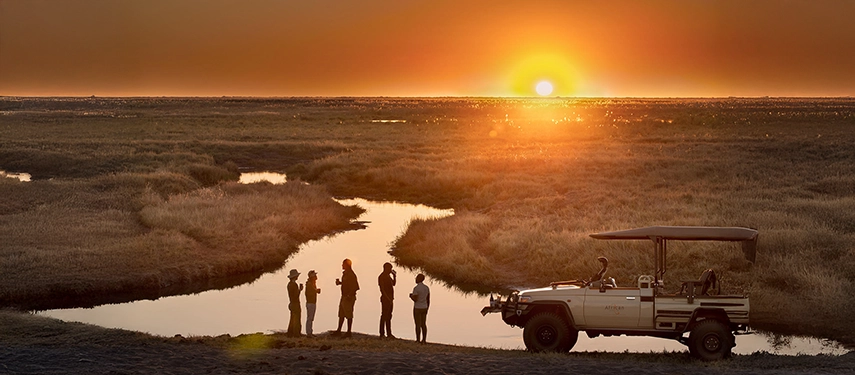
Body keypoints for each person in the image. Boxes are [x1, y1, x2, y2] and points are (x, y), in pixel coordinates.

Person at [334, 258, 359, 337]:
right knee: (341, 314)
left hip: (348, 297)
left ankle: (349, 332)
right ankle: (339, 330)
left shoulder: (351, 275)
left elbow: (356, 287)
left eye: (343, 264)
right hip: (344, 296)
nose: (342, 265)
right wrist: (340, 283)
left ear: (347, 265)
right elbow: (347, 283)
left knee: (349, 314)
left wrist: (349, 295)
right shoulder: (345, 274)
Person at [377, 262, 397, 339]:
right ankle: (382, 333)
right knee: (384, 315)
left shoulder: (388, 276)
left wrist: (394, 276)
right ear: (386, 268)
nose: (390, 270)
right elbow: (382, 289)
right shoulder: (381, 277)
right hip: (385, 299)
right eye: (390, 269)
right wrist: (387, 298)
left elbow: (394, 284)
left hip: (390, 299)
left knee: (389, 316)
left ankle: (389, 333)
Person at [409, 273, 430, 343]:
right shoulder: (426, 288)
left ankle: (418, 339)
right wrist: (427, 307)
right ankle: (424, 340)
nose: (415, 279)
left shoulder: (416, 288)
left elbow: (415, 299)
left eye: (416, 278)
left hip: (417, 307)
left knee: (417, 324)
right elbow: (428, 299)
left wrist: (411, 296)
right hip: (424, 307)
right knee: (423, 324)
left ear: (418, 279)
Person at [286, 269, 303, 337]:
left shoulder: (289, 284)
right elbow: (296, 295)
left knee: (292, 319)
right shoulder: (294, 285)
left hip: (291, 303)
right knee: (297, 320)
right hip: (295, 304)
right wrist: (300, 290)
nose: (297, 277)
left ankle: (290, 333)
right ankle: (296, 334)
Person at [305, 270, 320, 338]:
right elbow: (309, 294)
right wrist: (316, 291)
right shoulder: (309, 284)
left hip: (312, 302)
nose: (316, 276)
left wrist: (316, 291)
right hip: (310, 303)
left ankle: (310, 332)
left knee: (311, 318)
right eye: (314, 275)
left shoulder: (311, 283)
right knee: (310, 318)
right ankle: (309, 333)